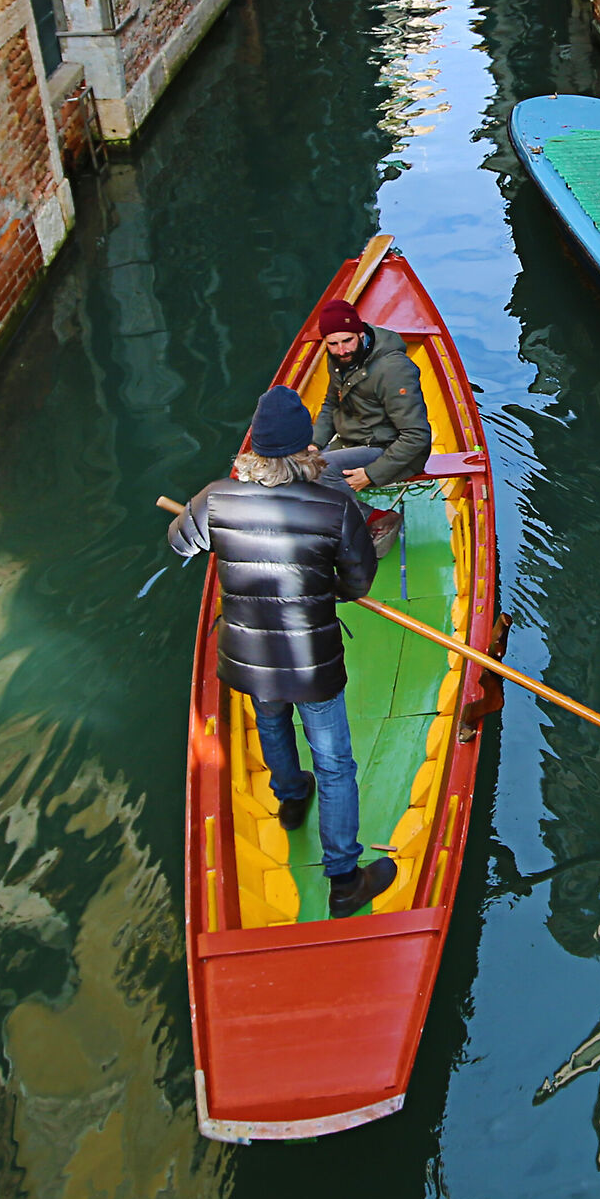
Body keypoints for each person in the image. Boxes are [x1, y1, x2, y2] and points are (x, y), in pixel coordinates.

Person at [170, 385, 398, 918]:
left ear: (254, 447)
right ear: (306, 450)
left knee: (270, 723)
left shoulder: (215, 497)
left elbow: (181, 543)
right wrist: (327, 589)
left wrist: (209, 531)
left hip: (248, 659)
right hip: (311, 662)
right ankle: (344, 879)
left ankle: (291, 797)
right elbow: (359, 582)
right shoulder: (334, 505)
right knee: (336, 764)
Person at [310, 298, 432, 554]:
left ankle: (376, 519)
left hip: (391, 449)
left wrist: (371, 474)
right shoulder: (339, 360)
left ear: (360, 333)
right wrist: (315, 443)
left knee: (322, 472)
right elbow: (331, 404)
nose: (341, 350)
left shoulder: (393, 369)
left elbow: (416, 436)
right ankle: (348, 519)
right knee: (301, 468)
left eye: (347, 341)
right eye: (333, 344)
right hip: (355, 441)